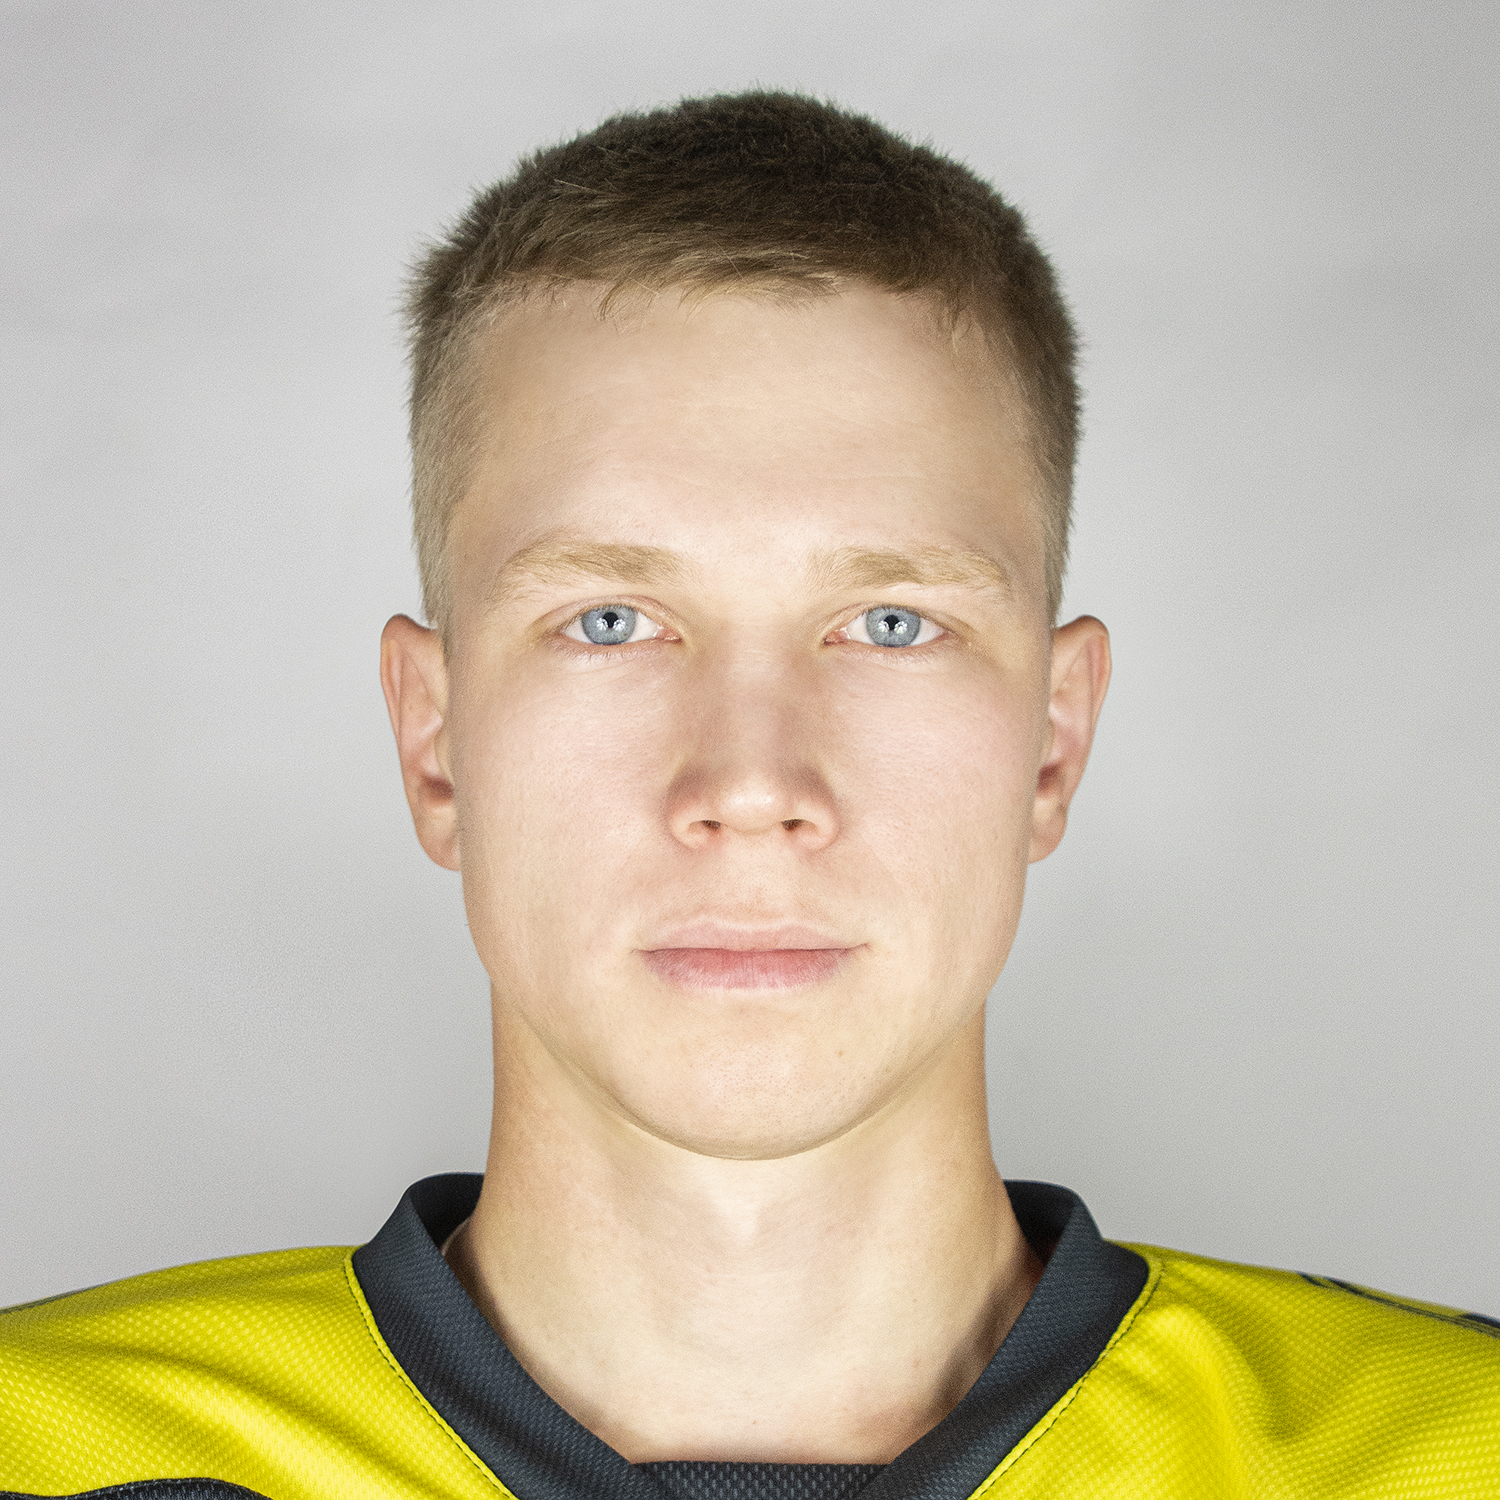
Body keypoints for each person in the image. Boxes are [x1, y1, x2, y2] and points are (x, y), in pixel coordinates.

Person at [2, 90, 1495, 1500]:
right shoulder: (40, 1444)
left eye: (892, 624)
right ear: (435, 743)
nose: (753, 785)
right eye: (609, 622)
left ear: (1053, 742)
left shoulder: (1447, 1446)